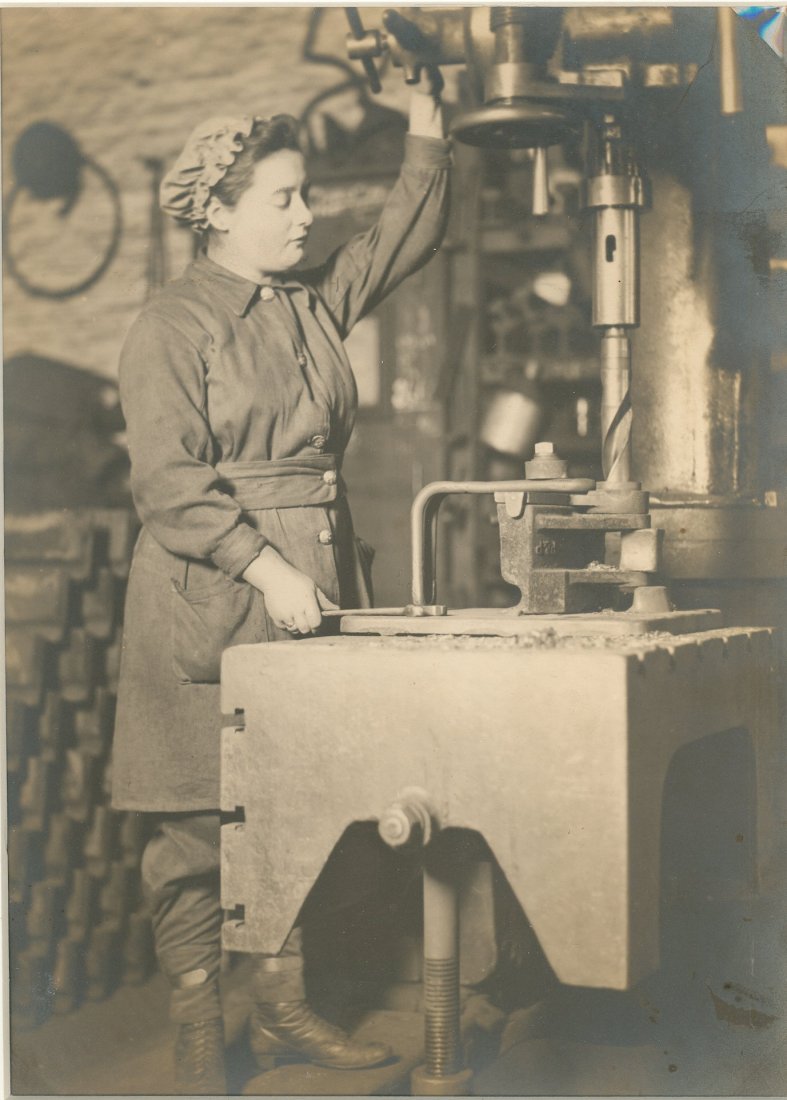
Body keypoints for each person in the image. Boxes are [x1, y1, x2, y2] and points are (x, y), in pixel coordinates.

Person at [111, 70, 450, 1093]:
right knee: (194, 819)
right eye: (285, 198)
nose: (308, 213)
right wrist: (264, 563)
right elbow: (166, 482)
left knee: (289, 805)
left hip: (311, 579)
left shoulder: (306, 305)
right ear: (218, 213)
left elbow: (394, 240)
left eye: (305, 194)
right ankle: (201, 1026)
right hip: (212, 585)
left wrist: (428, 123)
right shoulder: (170, 324)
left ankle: (280, 1002)